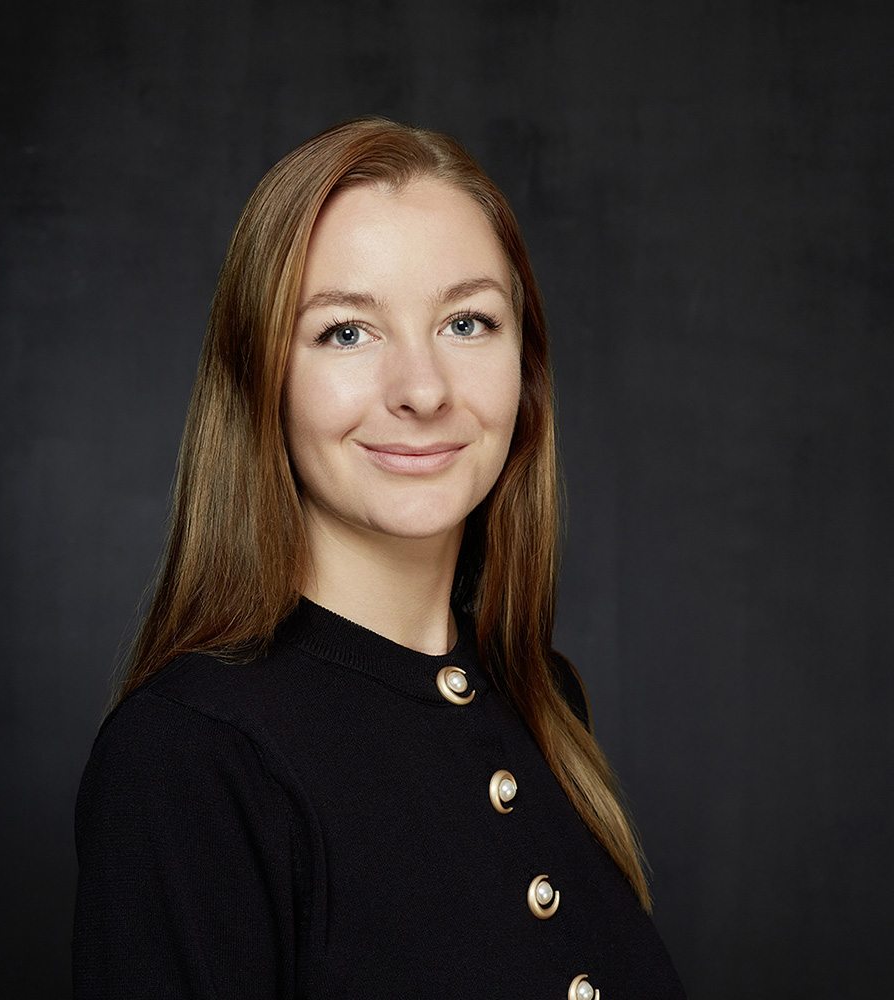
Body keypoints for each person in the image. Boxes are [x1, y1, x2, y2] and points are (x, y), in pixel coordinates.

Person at [73, 117, 686, 999]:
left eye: (467, 322)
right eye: (347, 333)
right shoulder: (189, 758)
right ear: (261, 379)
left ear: (526, 366)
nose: (423, 390)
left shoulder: (540, 695)